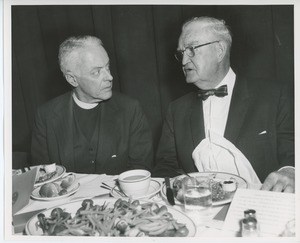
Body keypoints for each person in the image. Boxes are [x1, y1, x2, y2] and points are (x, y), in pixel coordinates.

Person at [152, 17, 294, 193]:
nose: (183, 61)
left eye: (191, 50)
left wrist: (290, 171)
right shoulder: (176, 110)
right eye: (181, 53)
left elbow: (292, 150)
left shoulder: (274, 96)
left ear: (219, 50)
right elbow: (165, 167)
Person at [31, 35, 153, 175]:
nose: (109, 77)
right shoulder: (46, 116)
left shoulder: (130, 109)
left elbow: (141, 170)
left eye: (108, 67)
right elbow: (42, 176)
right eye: (96, 72)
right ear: (72, 79)